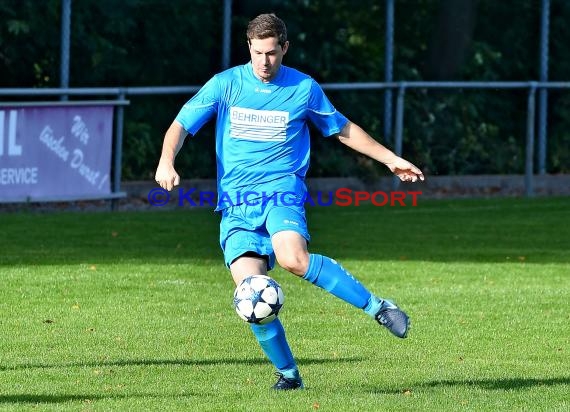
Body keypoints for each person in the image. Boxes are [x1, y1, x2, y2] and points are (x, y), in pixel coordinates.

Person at [155, 13, 424, 390]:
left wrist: (391, 159)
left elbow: (343, 129)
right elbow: (180, 125)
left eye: (272, 53)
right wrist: (167, 160)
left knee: (293, 259)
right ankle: (289, 375)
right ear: (248, 47)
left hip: (281, 192)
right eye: (257, 53)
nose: (264, 62)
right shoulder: (225, 85)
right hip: (236, 205)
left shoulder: (303, 88)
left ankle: (379, 308)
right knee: (252, 298)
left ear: (285, 48)